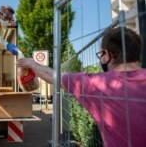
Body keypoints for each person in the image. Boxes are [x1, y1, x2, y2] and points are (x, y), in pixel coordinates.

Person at [16, 27, 146, 147]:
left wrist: (33, 65)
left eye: (101, 55)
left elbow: (53, 76)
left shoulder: (98, 84)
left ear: (107, 54)